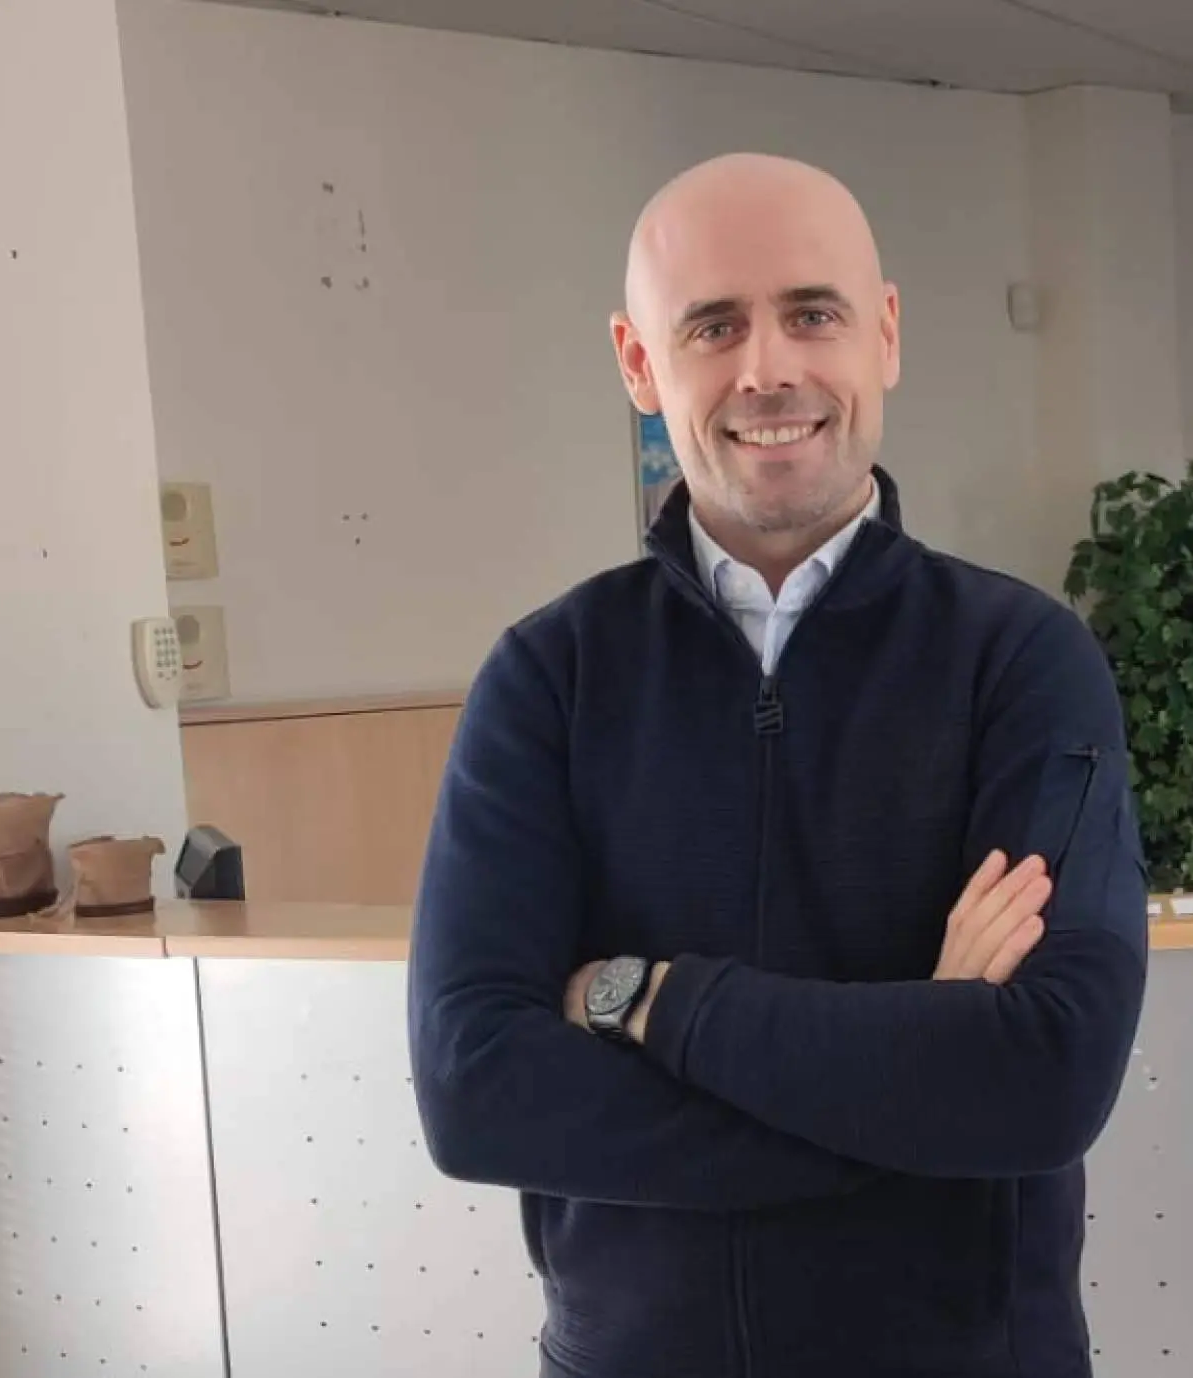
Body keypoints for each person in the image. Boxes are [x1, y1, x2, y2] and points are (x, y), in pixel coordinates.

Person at [406, 151, 1149, 1378]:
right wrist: (913, 1094)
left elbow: (1045, 1076)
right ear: (639, 364)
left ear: (885, 334)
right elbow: (475, 1090)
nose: (768, 369)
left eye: (812, 313)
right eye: (713, 326)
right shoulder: (550, 677)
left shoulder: (1022, 659)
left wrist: (648, 1000)